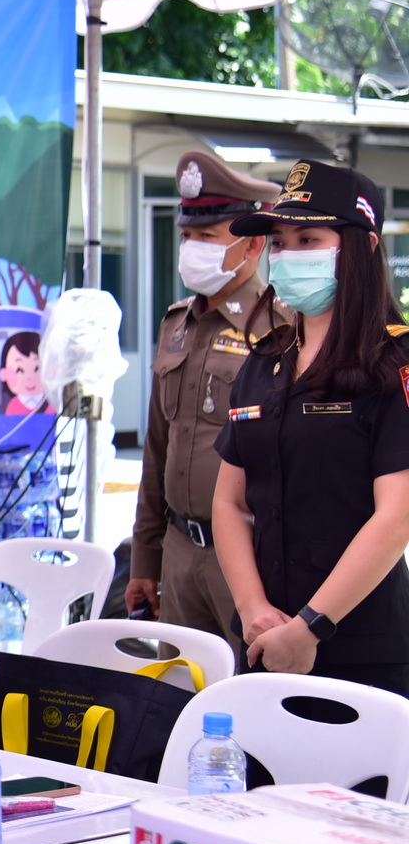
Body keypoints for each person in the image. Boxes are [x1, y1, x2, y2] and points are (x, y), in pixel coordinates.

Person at [213, 160, 409, 698]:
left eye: (308, 240)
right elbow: (230, 501)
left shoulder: (395, 363)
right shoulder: (266, 360)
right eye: (280, 242)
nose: (288, 255)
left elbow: (396, 516)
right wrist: (253, 609)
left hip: (360, 651)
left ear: (364, 246)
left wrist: (310, 627)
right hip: (263, 642)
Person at [126, 150, 279, 655]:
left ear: (252, 244)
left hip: (249, 556)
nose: (192, 248)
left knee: (251, 687)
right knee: (177, 685)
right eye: (187, 235)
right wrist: (145, 559)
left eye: (207, 237)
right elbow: (157, 450)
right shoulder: (176, 324)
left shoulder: (281, 329)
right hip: (178, 551)